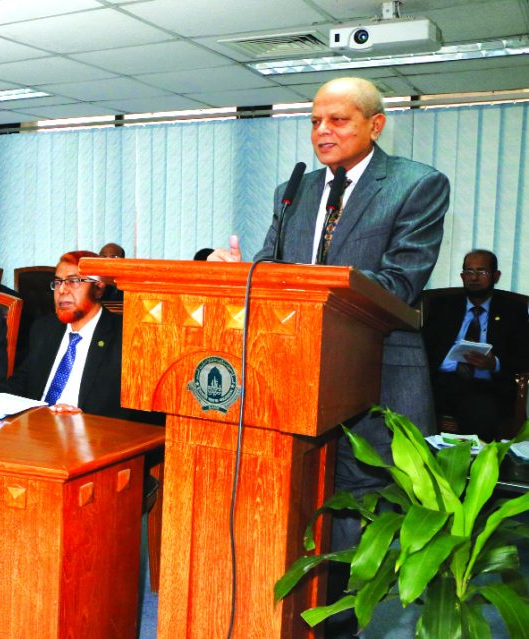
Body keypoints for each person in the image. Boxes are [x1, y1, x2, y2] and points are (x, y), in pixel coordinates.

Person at [209, 77, 450, 637]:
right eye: (315, 120)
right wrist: (240, 271)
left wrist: (311, 285)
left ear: (375, 124)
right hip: (294, 375)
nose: (322, 132)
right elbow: (273, 269)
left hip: (375, 374)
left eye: (338, 120)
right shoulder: (294, 189)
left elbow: (400, 282)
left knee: (357, 504)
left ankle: (339, 622)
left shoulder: (417, 184)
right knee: (295, 494)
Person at [0, 250, 127, 419]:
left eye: (74, 281)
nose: (62, 290)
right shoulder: (45, 329)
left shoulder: (123, 337)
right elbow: (23, 382)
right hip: (38, 431)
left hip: (92, 437)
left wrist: (88, 420)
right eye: (58, 282)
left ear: (98, 287)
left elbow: (136, 414)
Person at [423, 250, 529, 440]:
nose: (474, 278)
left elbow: (524, 355)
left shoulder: (513, 310)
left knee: (480, 406)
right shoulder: (442, 306)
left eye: (481, 272)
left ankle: (474, 465)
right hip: (443, 382)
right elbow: (424, 347)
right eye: (469, 272)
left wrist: (494, 363)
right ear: (462, 276)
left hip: (488, 387)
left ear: (496, 276)